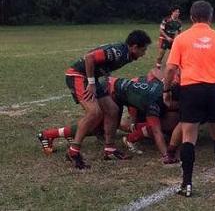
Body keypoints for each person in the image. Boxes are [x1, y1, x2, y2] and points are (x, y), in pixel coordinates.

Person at [163, 0, 215, 197]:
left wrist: (166, 90)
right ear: (211, 17)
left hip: (191, 90)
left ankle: (187, 184)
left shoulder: (181, 39)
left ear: (191, 17)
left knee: (189, 136)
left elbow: (170, 68)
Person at [38, 30, 151, 169]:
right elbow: (89, 58)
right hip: (78, 75)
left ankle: (109, 149)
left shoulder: (126, 54)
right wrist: (91, 83)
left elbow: (102, 64)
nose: (144, 53)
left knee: (112, 110)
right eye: (143, 50)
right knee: (94, 113)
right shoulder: (118, 52)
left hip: (92, 78)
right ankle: (73, 152)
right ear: (134, 47)